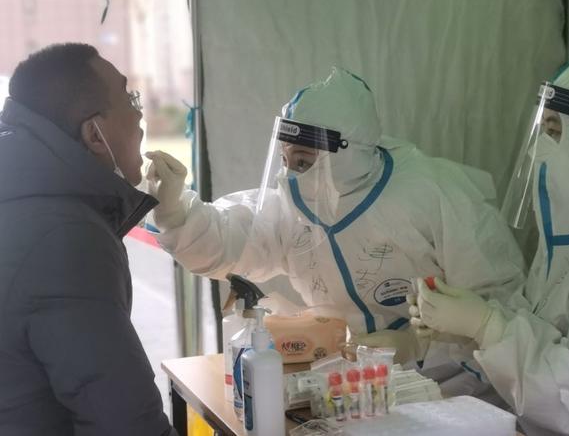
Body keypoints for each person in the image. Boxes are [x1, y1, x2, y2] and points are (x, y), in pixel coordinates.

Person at [147, 66, 525, 394]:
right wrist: (176, 212)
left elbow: (498, 308)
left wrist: (418, 345)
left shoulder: (436, 194)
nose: (290, 174)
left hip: (448, 387)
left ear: (346, 153)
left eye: (303, 160)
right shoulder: (294, 202)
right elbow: (232, 242)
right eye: (285, 158)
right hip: (348, 383)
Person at [410, 41, 569, 435]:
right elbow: (540, 324)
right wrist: (463, 327)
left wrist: (486, 326)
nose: (540, 154)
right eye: (542, 130)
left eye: (555, 132)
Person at [0, 43, 176, 435]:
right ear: (95, 134)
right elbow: (124, 422)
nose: (140, 117)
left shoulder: (22, 200)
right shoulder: (65, 237)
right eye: (130, 99)